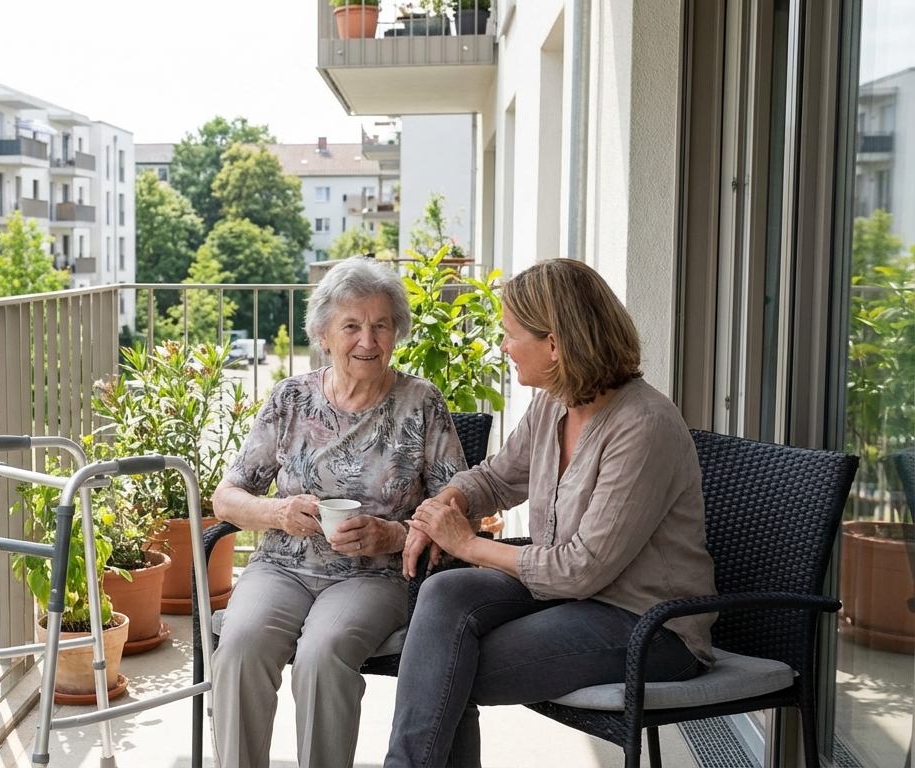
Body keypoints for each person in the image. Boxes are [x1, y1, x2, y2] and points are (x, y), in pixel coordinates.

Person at [385, 259, 717, 768]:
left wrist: (468, 543)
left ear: (555, 345)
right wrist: (447, 502)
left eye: (511, 335)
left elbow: (582, 569)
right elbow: (498, 478)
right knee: (446, 595)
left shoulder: (643, 426)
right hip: (566, 595)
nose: (503, 346)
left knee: (445, 668)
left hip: (649, 625)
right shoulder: (554, 404)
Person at [211, 256, 468, 768]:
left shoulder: (421, 403)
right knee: (239, 645)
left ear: (397, 332)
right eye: (351, 326)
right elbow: (226, 497)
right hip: (282, 566)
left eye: (381, 326)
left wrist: (392, 535)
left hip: (374, 576)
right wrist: (279, 512)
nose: (367, 341)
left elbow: (458, 515)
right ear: (324, 334)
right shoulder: (291, 399)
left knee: (322, 654)